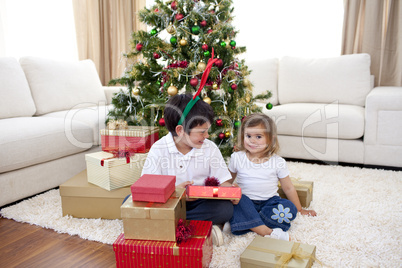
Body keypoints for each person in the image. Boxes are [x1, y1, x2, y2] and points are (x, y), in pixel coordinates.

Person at [141, 93, 235, 246]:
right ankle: (200, 229)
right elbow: (149, 187)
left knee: (225, 209)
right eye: (201, 132)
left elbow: (223, 181)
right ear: (180, 130)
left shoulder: (209, 148)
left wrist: (230, 191)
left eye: (207, 130)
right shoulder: (159, 149)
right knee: (131, 202)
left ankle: (176, 227)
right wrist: (176, 192)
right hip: (170, 204)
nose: (207, 135)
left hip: (200, 203)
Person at [227, 113, 317, 241]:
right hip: (245, 201)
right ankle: (265, 230)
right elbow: (227, 181)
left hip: (270, 202)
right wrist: (231, 189)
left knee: (289, 208)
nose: (252, 141)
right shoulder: (237, 157)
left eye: (258, 137)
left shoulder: (278, 162)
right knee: (235, 202)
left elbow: (288, 188)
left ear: (270, 140)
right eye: (248, 136)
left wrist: (300, 209)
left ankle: (246, 223)